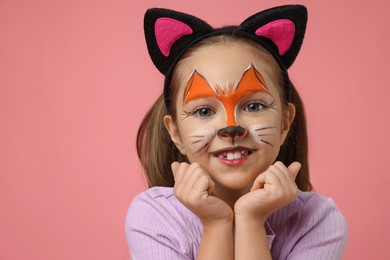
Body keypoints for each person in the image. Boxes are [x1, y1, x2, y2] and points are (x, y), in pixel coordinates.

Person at [126, 5, 348, 259]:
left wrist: (251, 220)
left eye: (254, 106)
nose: (231, 127)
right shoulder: (153, 216)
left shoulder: (318, 220)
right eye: (204, 112)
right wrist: (216, 224)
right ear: (175, 133)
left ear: (285, 123)